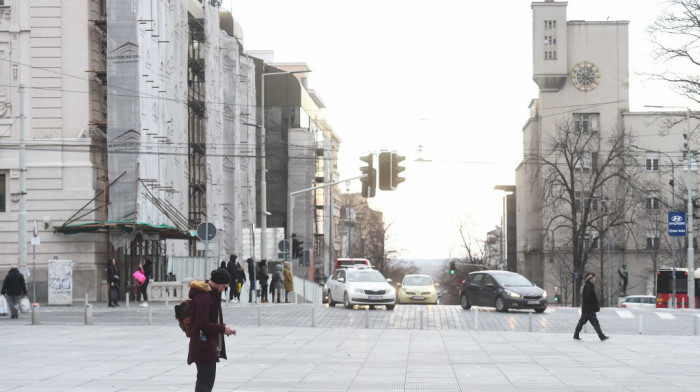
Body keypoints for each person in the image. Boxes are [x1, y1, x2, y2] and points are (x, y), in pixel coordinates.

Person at [187, 268, 236, 392]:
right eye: (223, 286)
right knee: (205, 383)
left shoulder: (211, 295)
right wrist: (222, 328)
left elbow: (211, 319)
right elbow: (203, 323)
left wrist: (225, 328)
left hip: (205, 343)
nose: (223, 289)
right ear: (218, 283)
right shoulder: (204, 297)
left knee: (205, 381)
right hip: (203, 343)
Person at [573, 272, 611, 342]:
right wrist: (594, 304)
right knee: (594, 323)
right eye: (594, 277)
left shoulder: (588, 285)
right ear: (590, 278)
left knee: (583, 322)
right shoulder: (588, 286)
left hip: (587, 309)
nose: (595, 278)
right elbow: (588, 297)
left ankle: (576, 335)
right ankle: (601, 336)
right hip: (589, 309)